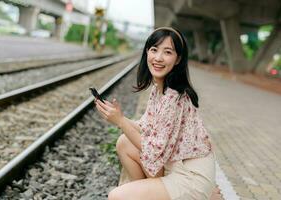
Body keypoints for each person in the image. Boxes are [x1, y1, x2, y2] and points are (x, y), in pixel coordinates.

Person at [94, 27, 221, 200]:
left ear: (178, 59)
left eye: (167, 52)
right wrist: (118, 116)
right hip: (174, 165)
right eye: (154, 50)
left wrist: (121, 122)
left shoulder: (174, 97)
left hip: (189, 176)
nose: (158, 58)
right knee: (124, 142)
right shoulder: (159, 89)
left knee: (116, 196)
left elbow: (152, 151)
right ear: (147, 52)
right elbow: (144, 127)